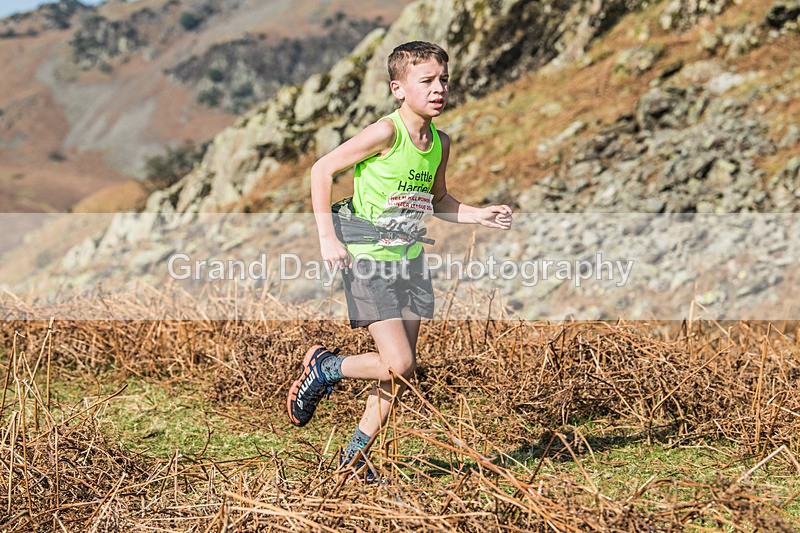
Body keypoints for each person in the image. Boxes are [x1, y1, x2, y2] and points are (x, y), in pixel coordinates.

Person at [286, 41, 512, 480]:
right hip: (368, 259)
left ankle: (353, 459)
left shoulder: (440, 143)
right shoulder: (385, 133)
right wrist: (326, 238)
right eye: (426, 81)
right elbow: (321, 170)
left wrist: (477, 214)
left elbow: (439, 199)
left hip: (409, 262)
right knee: (399, 362)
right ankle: (325, 367)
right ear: (398, 88)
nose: (438, 89)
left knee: (399, 375)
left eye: (443, 79)